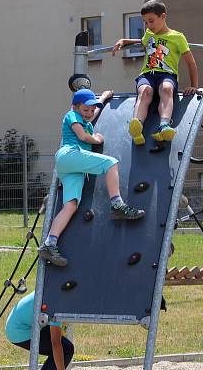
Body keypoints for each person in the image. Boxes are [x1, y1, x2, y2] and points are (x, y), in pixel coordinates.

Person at [37, 88, 145, 267]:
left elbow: (95, 112)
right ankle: (117, 204)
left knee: (70, 205)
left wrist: (102, 98)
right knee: (110, 163)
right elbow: (83, 136)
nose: (89, 114)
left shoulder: (85, 118)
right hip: (70, 154)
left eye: (91, 110)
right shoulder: (71, 115)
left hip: (72, 168)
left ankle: (50, 243)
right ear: (75, 107)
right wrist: (97, 139)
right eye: (85, 110)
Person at [112, 0, 199, 145]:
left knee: (166, 89)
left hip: (167, 75)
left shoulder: (177, 37)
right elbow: (141, 41)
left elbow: (190, 62)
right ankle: (137, 124)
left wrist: (194, 85)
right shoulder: (149, 34)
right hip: (147, 74)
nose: (148, 25)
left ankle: (164, 124)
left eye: (151, 21)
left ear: (163, 17)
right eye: (145, 22)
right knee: (145, 91)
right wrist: (123, 41)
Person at [5, 291, 73, 370]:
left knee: (64, 347)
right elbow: (56, 344)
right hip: (19, 331)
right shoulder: (57, 302)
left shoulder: (51, 288)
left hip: (17, 325)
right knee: (66, 349)